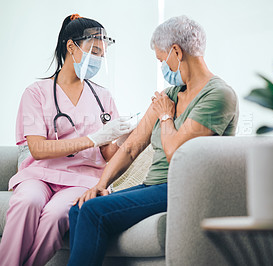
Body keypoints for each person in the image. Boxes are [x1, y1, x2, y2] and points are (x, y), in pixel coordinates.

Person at [67, 15, 239, 265]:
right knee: (82, 206)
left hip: (183, 188)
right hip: (153, 185)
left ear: (177, 52)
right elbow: (131, 147)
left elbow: (177, 154)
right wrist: (99, 186)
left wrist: (167, 116)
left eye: (161, 60)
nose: (162, 68)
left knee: (93, 212)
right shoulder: (171, 94)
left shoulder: (218, 95)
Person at [0, 14, 132, 266]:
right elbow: (37, 149)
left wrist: (121, 140)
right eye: (93, 51)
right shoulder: (36, 93)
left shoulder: (103, 97)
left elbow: (109, 154)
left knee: (56, 215)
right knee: (26, 202)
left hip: (83, 179)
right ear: (71, 47)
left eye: (102, 53)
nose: (99, 59)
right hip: (41, 175)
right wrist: (92, 138)